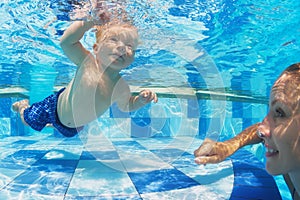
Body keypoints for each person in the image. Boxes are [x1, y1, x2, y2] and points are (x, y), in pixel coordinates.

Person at [12, 9, 158, 137]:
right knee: (27, 121)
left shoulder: (121, 87)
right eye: (114, 40)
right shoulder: (87, 62)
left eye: (129, 45)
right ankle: (22, 105)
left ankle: (53, 124)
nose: (121, 47)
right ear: (96, 48)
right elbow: (67, 42)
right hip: (53, 108)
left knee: (62, 129)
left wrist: (140, 101)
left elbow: (126, 105)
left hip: (73, 128)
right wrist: (88, 21)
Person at [194, 63, 300, 200]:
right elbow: (258, 129)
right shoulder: (291, 165)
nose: (262, 129)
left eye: (280, 113)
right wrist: (229, 146)